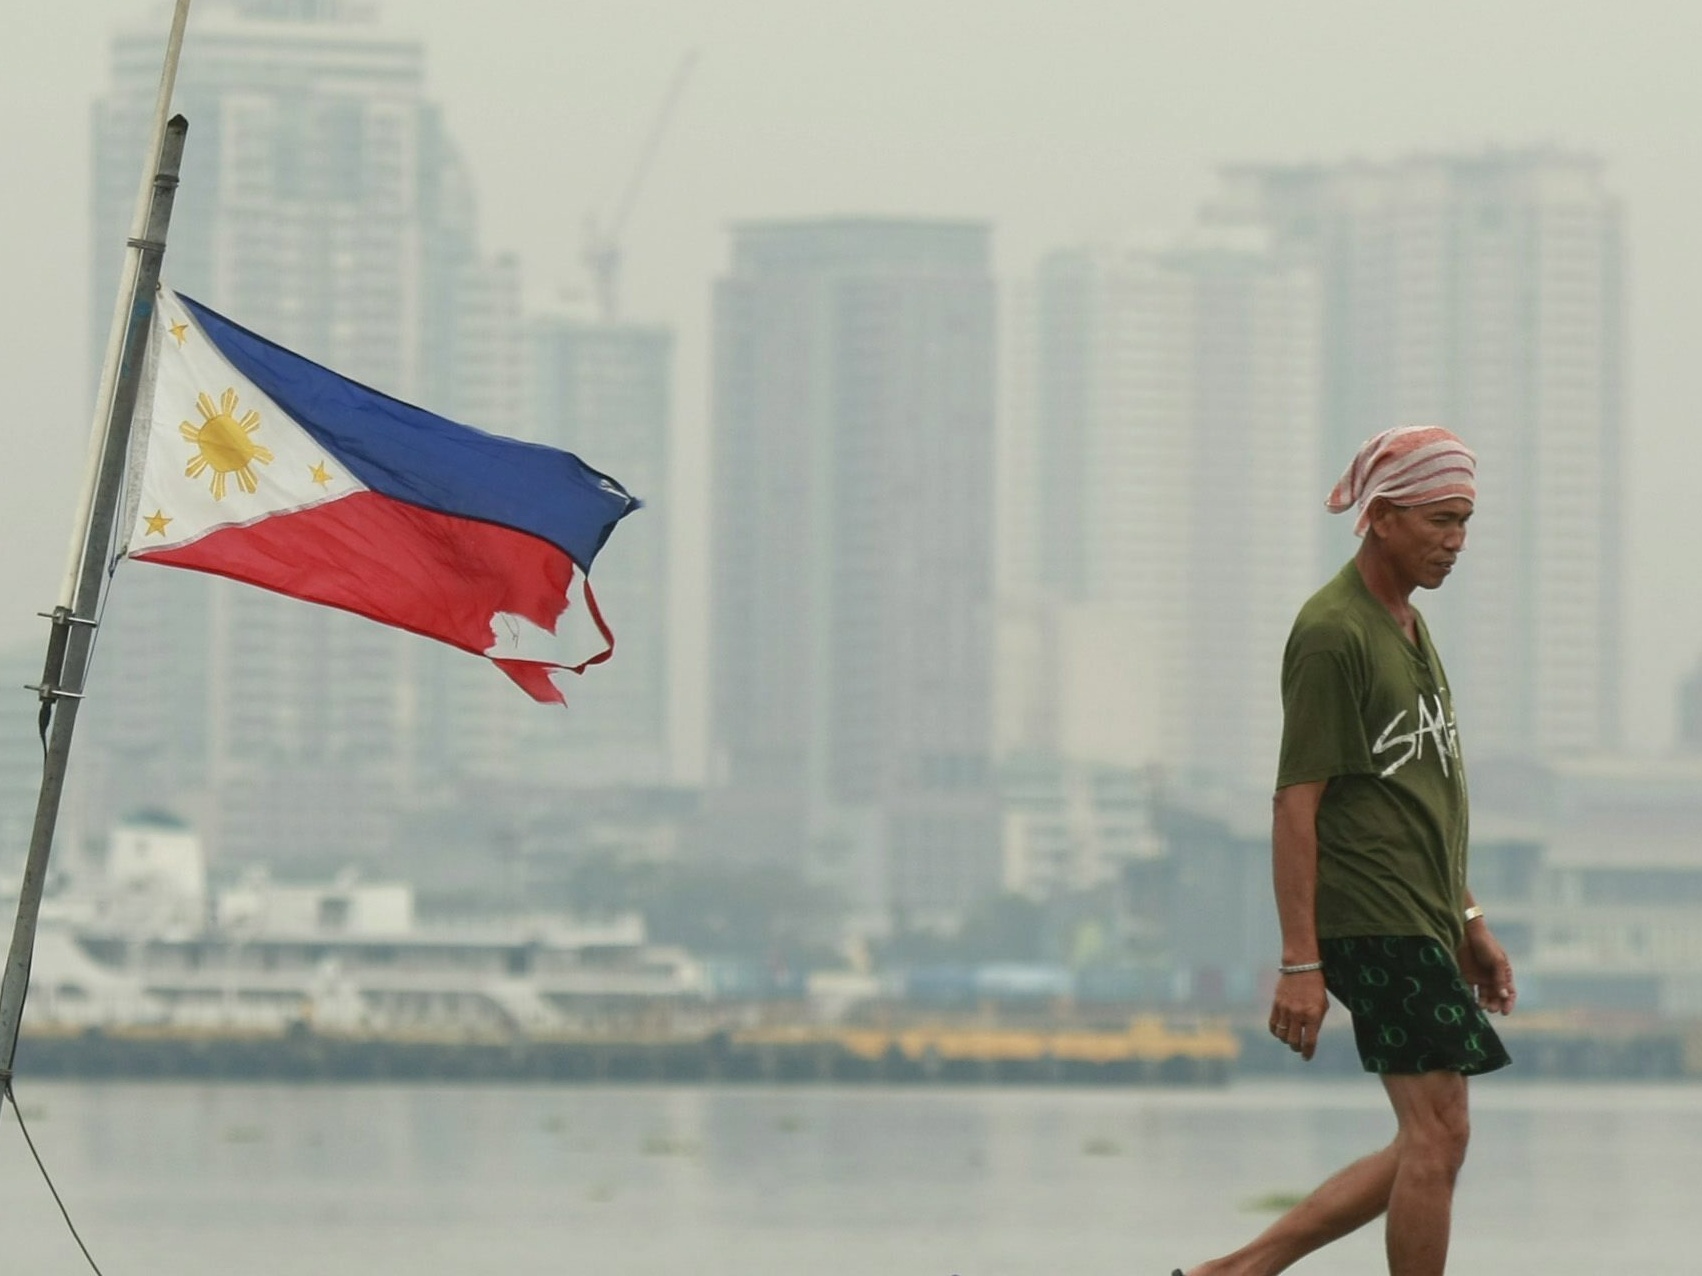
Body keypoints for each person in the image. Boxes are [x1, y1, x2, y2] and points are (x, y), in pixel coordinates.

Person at [1176, 425, 1516, 1276]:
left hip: (1422, 916)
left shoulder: (1408, 625)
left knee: (1428, 1138)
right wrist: (1300, 961)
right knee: (1440, 1132)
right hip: (1374, 919)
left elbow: (1418, 798)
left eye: (1466, 522)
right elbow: (1298, 801)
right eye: (1441, 520)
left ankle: (1236, 1272)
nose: (1456, 542)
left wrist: (1469, 917)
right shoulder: (1335, 632)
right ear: (1384, 517)